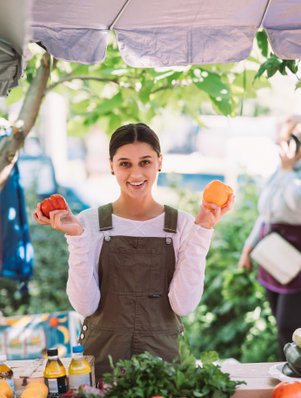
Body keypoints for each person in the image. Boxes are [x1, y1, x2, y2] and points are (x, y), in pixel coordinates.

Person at [33, 123, 234, 379]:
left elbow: (183, 305)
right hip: (102, 359)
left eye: (145, 162)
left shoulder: (183, 225)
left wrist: (203, 229)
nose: (136, 174)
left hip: (165, 361)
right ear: (111, 165)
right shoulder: (88, 223)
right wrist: (76, 238)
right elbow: (85, 305)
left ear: (160, 162)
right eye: (125, 163)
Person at [239, 116, 301, 360]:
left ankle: (294, 381)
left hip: (295, 258)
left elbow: (296, 203)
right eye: (284, 138)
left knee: (290, 327)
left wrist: (287, 172)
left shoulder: (288, 173)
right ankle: (288, 377)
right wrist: (248, 248)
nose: (283, 145)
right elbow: (265, 214)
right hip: (273, 255)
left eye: (292, 139)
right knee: (281, 324)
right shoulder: (280, 171)